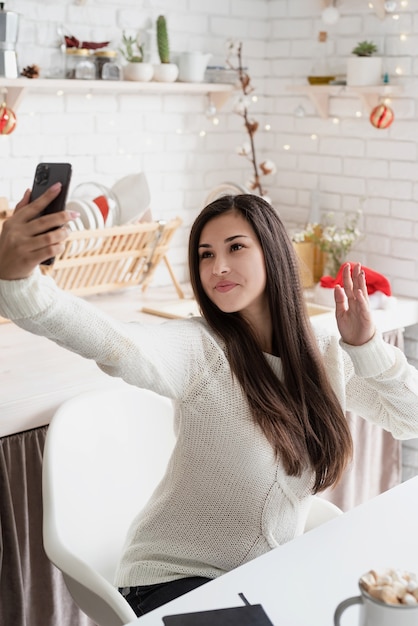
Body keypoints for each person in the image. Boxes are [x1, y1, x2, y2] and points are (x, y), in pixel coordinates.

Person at [1, 186, 418, 616]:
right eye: (204, 254)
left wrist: (366, 345)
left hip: (263, 576)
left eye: (235, 247)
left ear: (272, 253)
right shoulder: (202, 349)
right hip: (174, 581)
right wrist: (21, 282)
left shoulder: (326, 353)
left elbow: (412, 418)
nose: (218, 266)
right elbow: (115, 341)